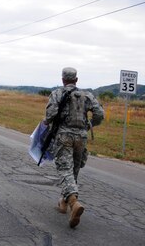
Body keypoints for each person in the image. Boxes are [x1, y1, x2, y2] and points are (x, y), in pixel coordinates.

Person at [44, 67, 104, 228]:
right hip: (81, 138)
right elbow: (100, 114)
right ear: (76, 80)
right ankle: (64, 203)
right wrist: (90, 124)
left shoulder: (57, 94)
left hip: (64, 136)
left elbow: (50, 115)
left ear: (63, 79)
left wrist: (47, 123)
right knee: (74, 170)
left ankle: (74, 202)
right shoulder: (87, 95)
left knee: (65, 169)